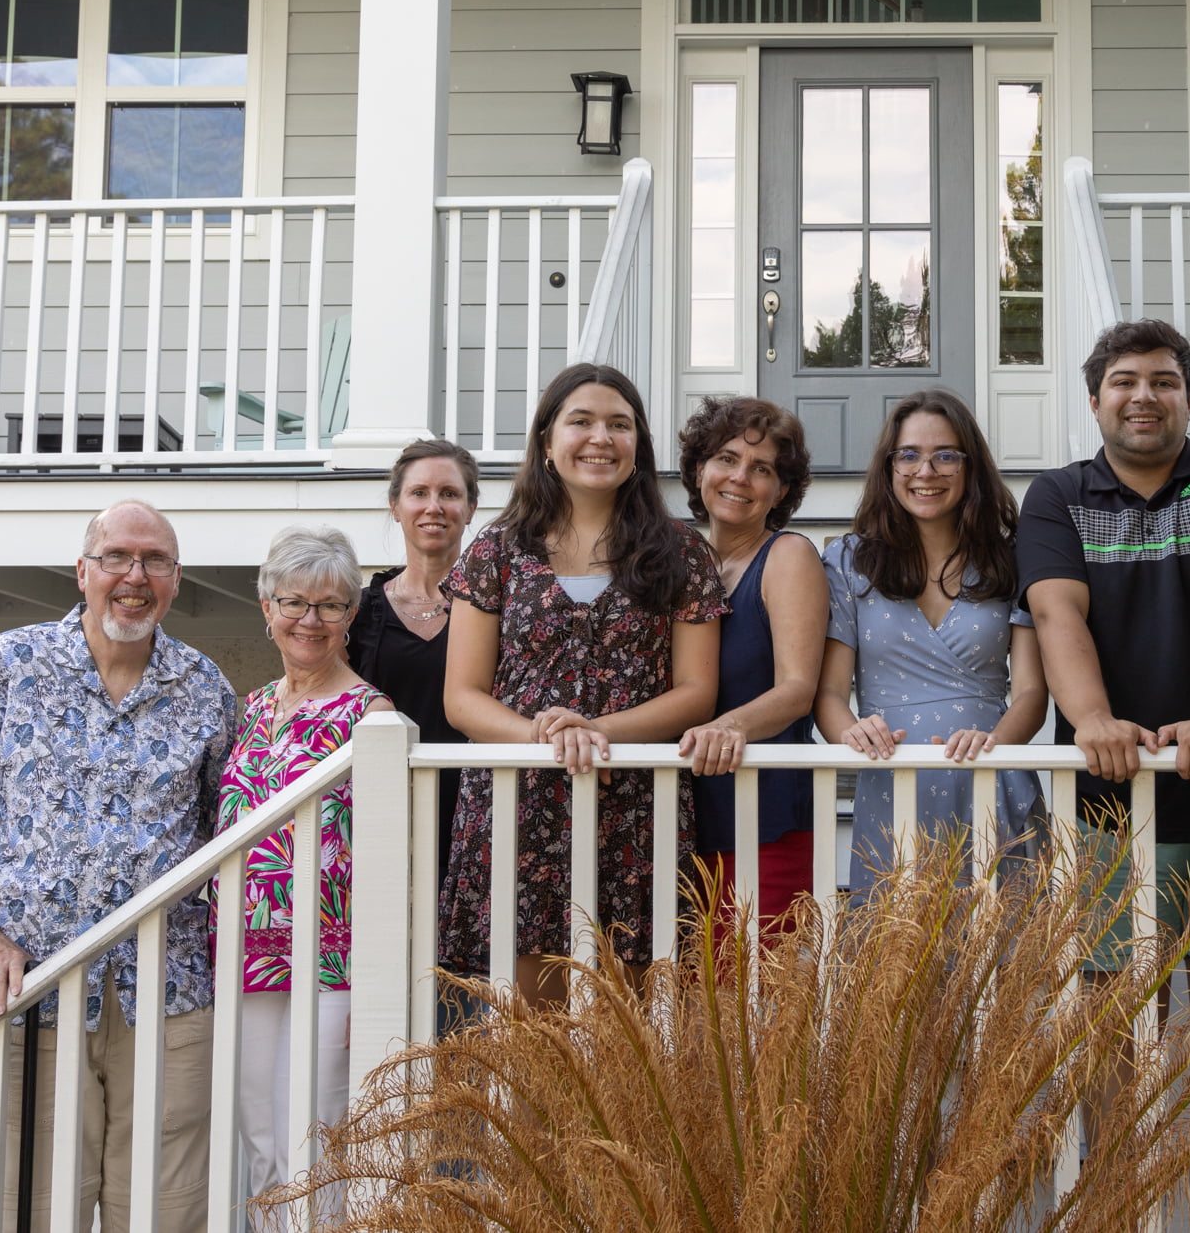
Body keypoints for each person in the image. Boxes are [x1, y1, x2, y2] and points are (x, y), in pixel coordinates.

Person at [0, 500, 239, 1232]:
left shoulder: (207, 690)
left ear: (175, 580)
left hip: (169, 998)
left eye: (156, 562)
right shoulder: (6, 668)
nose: (135, 577)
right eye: (117, 558)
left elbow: (226, 833)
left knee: (165, 1214)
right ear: (83, 571)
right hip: (30, 997)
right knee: (34, 1210)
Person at [439, 364, 726, 1003]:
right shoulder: (496, 549)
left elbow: (695, 692)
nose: (601, 437)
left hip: (635, 808)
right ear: (547, 442)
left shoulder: (681, 551)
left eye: (619, 425)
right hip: (520, 802)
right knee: (535, 1037)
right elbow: (461, 696)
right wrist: (542, 735)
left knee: (627, 1034)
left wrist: (594, 733)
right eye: (582, 422)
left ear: (638, 446)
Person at [1018, 318, 1190, 989]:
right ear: (1095, 402)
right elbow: (1056, 612)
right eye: (1123, 382)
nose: (1144, 396)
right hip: (1102, 802)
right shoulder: (1057, 494)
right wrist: (1091, 719)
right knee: (1114, 1018)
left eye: (1165, 382)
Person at [210, 524, 393, 1199]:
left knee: (313, 1142)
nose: (309, 621)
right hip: (244, 952)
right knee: (258, 1138)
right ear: (267, 608)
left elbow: (383, 849)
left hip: (329, 955)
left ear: (350, 615)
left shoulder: (369, 713)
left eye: (329, 605)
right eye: (294, 602)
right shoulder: (251, 709)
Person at [815, 388, 1049, 895]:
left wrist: (998, 745)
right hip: (893, 786)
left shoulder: (1011, 559)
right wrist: (849, 733)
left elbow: (1031, 692)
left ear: (970, 467)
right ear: (888, 467)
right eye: (910, 455)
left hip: (991, 780)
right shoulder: (849, 561)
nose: (927, 471)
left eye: (946, 455)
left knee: (1002, 963)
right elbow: (830, 693)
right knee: (898, 964)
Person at [675, 397, 827, 931]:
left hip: (762, 819)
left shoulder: (787, 556)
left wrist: (726, 726)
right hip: (679, 819)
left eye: (761, 469)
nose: (740, 477)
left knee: (751, 1005)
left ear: (780, 490)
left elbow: (798, 689)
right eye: (726, 458)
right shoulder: (680, 561)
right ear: (699, 471)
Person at [347, 439, 480, 889]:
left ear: (471, 507)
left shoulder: (498, 611)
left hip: (476, 813)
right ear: (395, 506)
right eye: (419, 493)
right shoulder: (359, 612)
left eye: (450, 493)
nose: (434, 507)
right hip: (382, 814)